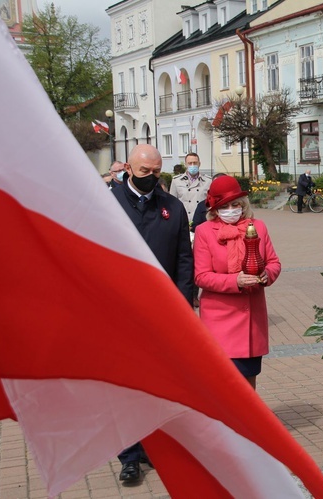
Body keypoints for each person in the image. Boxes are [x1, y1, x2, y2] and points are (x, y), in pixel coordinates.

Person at [111, 144, 194, 483]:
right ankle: (129, 455)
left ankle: (152, 446)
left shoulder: (172, 207)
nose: (152, 178)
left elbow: (184, 260)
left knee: (160, 386)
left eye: (158, 172)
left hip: (163, 314)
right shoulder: (108, 203)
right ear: (128, 169)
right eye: (145, 172)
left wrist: (183, 305)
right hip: (121, 314)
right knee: (127, 387)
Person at [193, 176, 281, 389]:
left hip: (251, 318)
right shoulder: (205, 231)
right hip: (219, 319)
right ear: (215, 209)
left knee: (249, 384)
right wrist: (236, 281)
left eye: (236, 205)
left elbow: (274, 262)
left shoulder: (258, 227)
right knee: (223, 385)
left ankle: (248, 423)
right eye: (225, 206)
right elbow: (201, 276)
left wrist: (266, 275)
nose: (231, 210)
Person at [169, 152, 212, 223]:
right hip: (183, 220)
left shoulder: (208, 181)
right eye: (190, 163)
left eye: (195, 163)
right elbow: (172, 204)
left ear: (199, 164)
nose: (192, 165)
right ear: (185, 164)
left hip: (201, 221)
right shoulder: (176, 181)